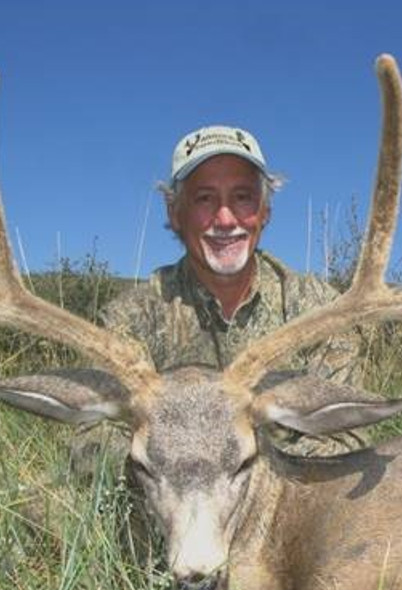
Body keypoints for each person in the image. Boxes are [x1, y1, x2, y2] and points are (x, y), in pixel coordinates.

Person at [71, 125, 364, 478]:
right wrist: (176, 470)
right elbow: (90, 442)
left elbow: (348, 438)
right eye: (204, 199)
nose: (225, 219)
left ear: (265, 211)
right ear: (174, 212)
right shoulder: (131, 318)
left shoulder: (319, 311)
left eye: (242, 197)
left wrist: (242, 469)